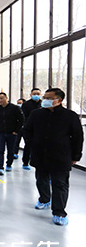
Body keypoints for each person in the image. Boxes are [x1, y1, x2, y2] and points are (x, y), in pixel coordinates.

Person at [23, 88, 83, 226]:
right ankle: (44, 199)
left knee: (60, 184)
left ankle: (59, 212)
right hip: (40, 154)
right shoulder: (36, 114)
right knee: (41, 180)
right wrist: (32, 144)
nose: (45, 100)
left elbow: (78, 137)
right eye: (44, 97)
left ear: (59, 100)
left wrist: (76, 155)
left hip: (61, 155)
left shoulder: (70, 116)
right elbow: (27, 130)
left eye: (49, 98)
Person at [0, 92, 24, 175]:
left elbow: (21, 119)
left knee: (11, 150)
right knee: (0, 150)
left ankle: (9, 164)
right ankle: (0, 167)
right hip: (0, 133)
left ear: (6, 98)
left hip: (11, 133)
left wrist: (16, 130)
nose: (0, 100)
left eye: (1, 98)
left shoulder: (15, 108)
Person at [20, 88, 42, 170]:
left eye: (38, 94)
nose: (36, 95)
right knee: (28, 145)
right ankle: (25, 162)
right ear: (31, 95)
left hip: (40, 129)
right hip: (29, 128)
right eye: (34, 94)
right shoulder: (26, 104)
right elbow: (23, 117)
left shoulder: (42, 104)